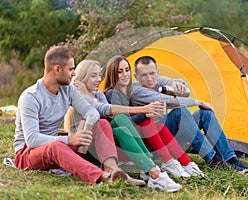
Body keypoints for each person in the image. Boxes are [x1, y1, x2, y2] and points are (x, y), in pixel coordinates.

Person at [13, 45, 128, 185]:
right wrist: (69, 140)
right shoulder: (31, 97)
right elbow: (32, 140)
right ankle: (104, 177)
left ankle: (113, 172)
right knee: (56, 146)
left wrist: (85, 126)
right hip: (27, 154)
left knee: (102, 124)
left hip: (56, 146)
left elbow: (92, 112)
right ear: (57, 69)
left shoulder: (68, 90)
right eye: (71, 69)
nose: (74, 74)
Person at [64, 59, 183, 192]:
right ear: (81, 79)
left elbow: (110, 115)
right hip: (86, 149)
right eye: (93, 76)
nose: (98, 79)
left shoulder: (99, 94)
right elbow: (102, 109)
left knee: (121, 124)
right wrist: (144, 109)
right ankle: (153, 170)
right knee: (116, 123)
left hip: (104, 142)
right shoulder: (76, 96)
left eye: (99, 75)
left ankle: (150, 167)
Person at [130, 55, 248, 173]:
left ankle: (230, 159)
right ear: (136, 77)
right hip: (155, 144)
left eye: (152, 74)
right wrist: (198, 101)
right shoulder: (136, 90)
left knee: (205, 114)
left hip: (171, 136)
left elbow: (186, 89)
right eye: (144, 75)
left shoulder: (159, 81)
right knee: (180, 111)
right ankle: (214, 160)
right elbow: (167, 101)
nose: (149, 78)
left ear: (158, 73)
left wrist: (179, 83)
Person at [103, 55, 204, 178]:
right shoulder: (112, 94)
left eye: (127, 70)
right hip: (124, 145)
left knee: (157, 124)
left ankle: (185, 162)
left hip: (141, 140)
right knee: (147, 121)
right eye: (120, 72)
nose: (125, 74)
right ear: (113, 74)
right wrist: (146, 113)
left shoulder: (130, 92)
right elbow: (123, 122)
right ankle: (168, 162)